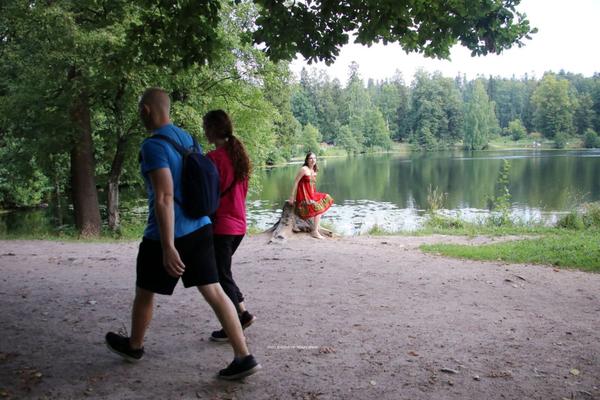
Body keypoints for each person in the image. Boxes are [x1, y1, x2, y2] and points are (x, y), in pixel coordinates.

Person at [104, 88, 260, 380]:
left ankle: (134, 346)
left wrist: (167, 246)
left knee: (145, 293)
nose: (140, 114)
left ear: (147, 110)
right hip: (201, 228)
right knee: (214, 291)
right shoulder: (189, 140)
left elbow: (164, 197)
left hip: (166, 234)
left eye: (141, 110)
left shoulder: (153, 146)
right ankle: (243, 356)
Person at [203, 110, 256, 342]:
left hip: (222, 226)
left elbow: (206, 194)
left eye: (205, 126)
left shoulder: (213, 159)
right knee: (223, 272)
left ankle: (233, 324)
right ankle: (242, 313)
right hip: (239, 226)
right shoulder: (239, 156)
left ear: (213, 129)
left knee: (219, 275)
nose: (204, 130)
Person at [288, 152, 334, 239]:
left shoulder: (313, 170)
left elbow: (312, 185)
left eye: (314, 158)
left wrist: (314, 195)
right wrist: (292, 196)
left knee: (326, 197)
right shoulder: (304, 169)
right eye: (310, 158)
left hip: (311, 194)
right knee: (318, 208)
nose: (313, 160)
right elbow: (296, 182)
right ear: (307, 160)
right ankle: (315, 232)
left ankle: (316, 229)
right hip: (304, 196)